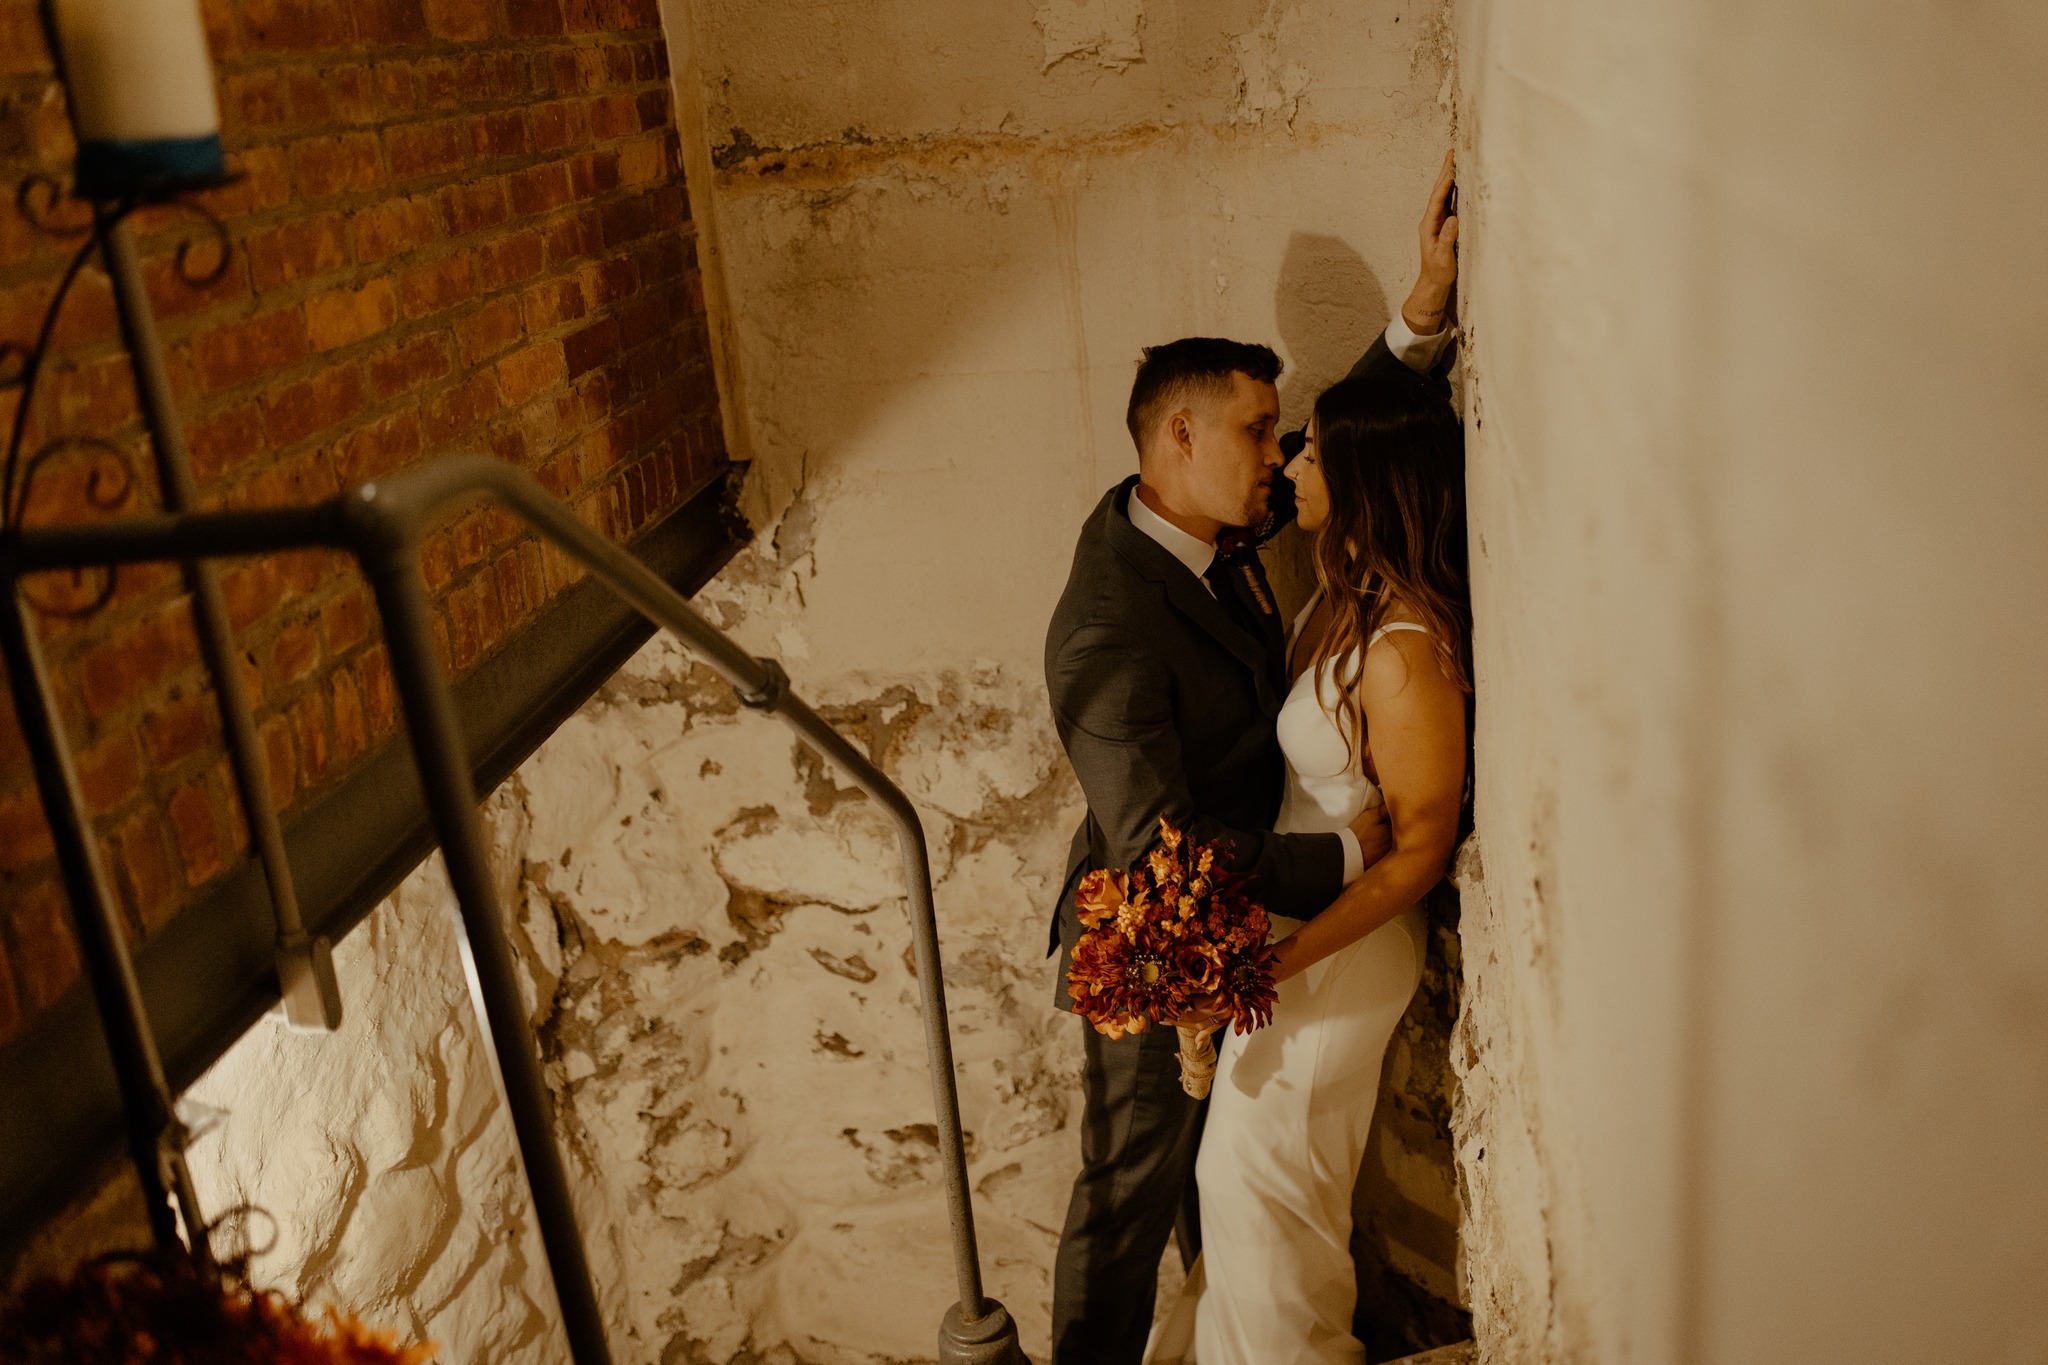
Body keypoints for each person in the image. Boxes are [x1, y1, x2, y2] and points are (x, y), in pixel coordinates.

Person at [1044, 152, 1461, 1365]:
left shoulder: (1209, 514)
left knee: (1221, 1186)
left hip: (1272, 924)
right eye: (1259, 433)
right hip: (1152, 921)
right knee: (1132, 1186)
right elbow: (1153, 844)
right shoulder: (1107, 626)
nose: (1281, 459)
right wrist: (1337, 853)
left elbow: (1360, 449)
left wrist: (1421, 313)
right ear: (1180, 434)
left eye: (1285, 439)